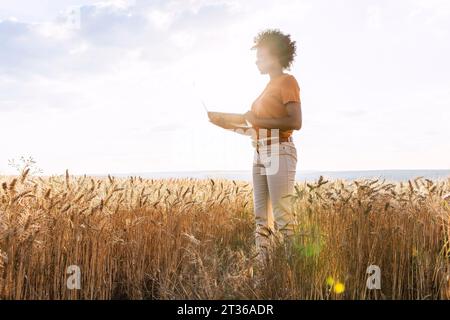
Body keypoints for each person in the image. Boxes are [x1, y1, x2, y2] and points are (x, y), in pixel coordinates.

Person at [209, 28, 302, 266]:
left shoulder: (287, 81)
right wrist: (223, 122)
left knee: (282, 218)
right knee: (261, 218)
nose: (256, 60)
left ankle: (293, 274)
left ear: (275, 55)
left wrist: (255, 120)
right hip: (260, 151)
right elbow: (251, 124)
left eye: (260, 55)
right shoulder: (266, 89)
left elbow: (295, 121)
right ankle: (265, 273)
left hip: (279, 150)